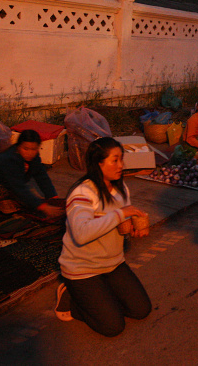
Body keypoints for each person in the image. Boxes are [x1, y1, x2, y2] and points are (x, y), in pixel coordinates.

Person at [56, 137, 151, 337]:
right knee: (113, 326)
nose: (121, 165)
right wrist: (120, 214)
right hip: (82, 268)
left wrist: (133, 229)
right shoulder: (82, 193)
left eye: (121, 160)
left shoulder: (121, 189)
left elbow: (117, 226)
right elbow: (82, 234)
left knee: (141, 310)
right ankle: (71, 299)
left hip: (112, 263)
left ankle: (100, 296)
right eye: (114, 160)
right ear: (99, 163)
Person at [0, 129, 63, 221]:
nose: (30, 153)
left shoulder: (34, 157)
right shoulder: (9, 159)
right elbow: (19, 187)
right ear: (18, 146)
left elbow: (42, 177)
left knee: (18, 203)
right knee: (2, 193)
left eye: (33, 149)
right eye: (26, 149)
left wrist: (53, 197)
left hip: (0, 182)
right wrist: (43, 207)